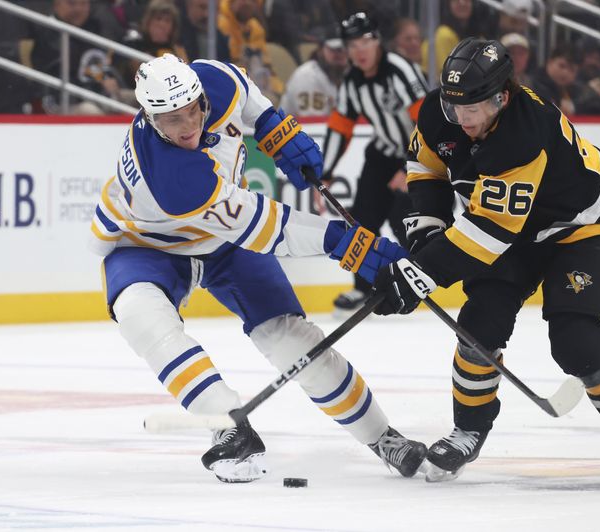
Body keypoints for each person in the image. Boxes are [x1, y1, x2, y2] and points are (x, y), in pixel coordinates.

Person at [372, 38, 600, 487]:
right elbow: (426, 169)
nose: (462, 119)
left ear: (500, 98)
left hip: (580, 225)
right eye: (454, 108)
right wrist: (426, 235)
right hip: (514, 230)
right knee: (477, 326)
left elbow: (489, 233)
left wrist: (421, 273)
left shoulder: (523, 133)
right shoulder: (438, 113)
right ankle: (469, 428)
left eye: (473, 109)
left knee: (577, 344)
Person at [89, 53, 428, 483]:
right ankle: (228, 426)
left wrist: (273, 125)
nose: (188, 125)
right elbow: (269, 228)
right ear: (150, 117)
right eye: (172, 119)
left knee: (292, 339)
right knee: (140, 316)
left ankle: (383, 437)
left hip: (224, 240)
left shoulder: (213, 79)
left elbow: (244, 91)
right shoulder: (171, 176)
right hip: (147, 243)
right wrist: (344, 242)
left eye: (192, 109)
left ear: (199, 94)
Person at [321, 12, 428, 316]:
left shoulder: (400, 70)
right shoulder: (353, 81)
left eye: (365, 41)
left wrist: (410, 167)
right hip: (381, 155)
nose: (359, 50)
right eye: (352, 44)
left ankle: (416, 282)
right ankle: (361, 289)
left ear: (378, 41)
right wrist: (325, 173)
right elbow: (340, 127)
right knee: (362, 221)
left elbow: (430, 124)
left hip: (419, 155)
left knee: (407, 221)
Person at [279, 35, 348, 118]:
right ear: (320, 50)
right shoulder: (307, 77)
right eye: (334, 50)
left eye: (344, 49)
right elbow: (313, 124)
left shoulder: (346, 73)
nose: (340, 54)